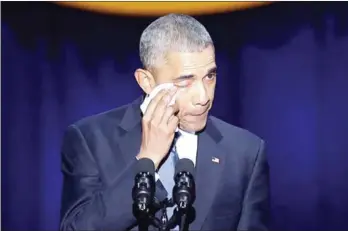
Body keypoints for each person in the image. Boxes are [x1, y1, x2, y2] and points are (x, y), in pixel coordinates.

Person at [60, 13, 270, 231]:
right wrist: (147, 159)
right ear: (147, 82)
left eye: (210, 76)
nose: (203, 97)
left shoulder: (246, 152)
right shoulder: (90, 140)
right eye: (185, 81)